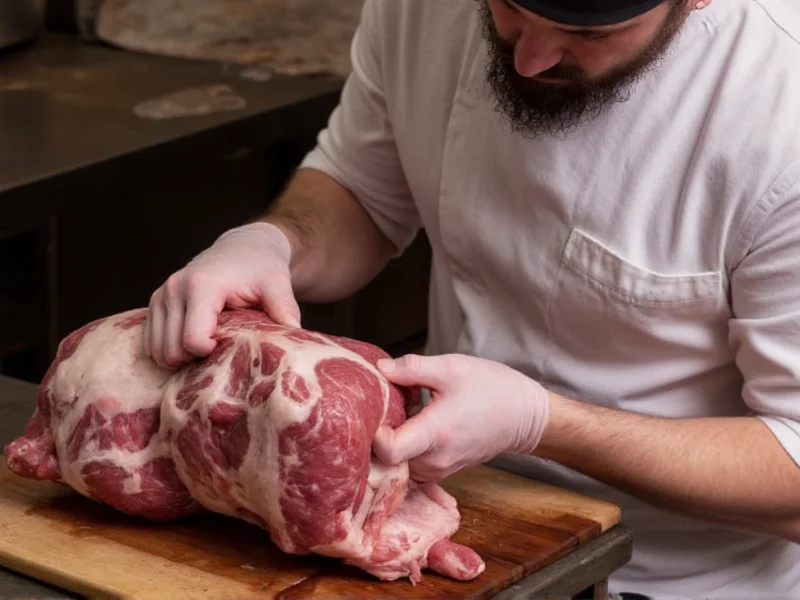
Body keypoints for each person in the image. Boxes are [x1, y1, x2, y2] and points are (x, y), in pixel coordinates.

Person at [144, 0, 800, 597]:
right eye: (509, 8)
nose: (529, 57)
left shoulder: (778, 110)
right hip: (435, 521)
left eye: (586, 31)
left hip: (677, 578)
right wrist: (273, 243)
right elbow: (363, 189)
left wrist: (543, 424)